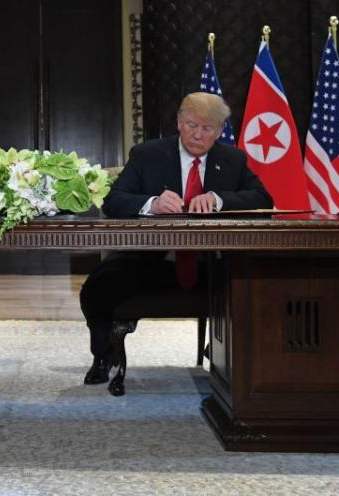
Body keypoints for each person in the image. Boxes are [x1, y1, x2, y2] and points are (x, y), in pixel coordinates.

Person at [79, 92, 272, 384]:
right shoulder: (147, 155)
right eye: (192, 125)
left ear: (220, 131)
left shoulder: (232, 159)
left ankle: (233, 357)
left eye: (208, 129)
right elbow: (114, 200)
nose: (198, 134)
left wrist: (219, 199)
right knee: (97, 288)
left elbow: (263, 199)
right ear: (179, 122)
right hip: (150, 260)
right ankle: (105, 356)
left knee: (260, 284)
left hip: (213, 264)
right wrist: (151, 203)